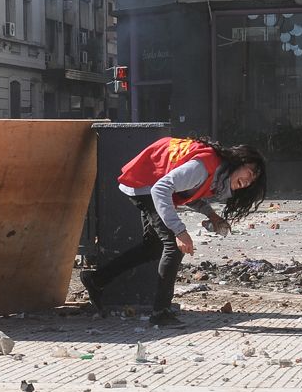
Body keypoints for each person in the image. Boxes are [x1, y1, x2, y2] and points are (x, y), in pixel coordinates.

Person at [80, 136, 266, 326]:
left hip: (149, 183)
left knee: (153, 247)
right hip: (145, 183)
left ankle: (96, 280)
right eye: (250, 173)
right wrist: (180, 232)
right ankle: (161, 313)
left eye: (253, 180)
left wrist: (211, 215)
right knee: (174, 247)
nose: (249, 181)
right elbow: (161, 190)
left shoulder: (216, 171)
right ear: (237, 162)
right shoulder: (203, 167)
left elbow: (188, 192)